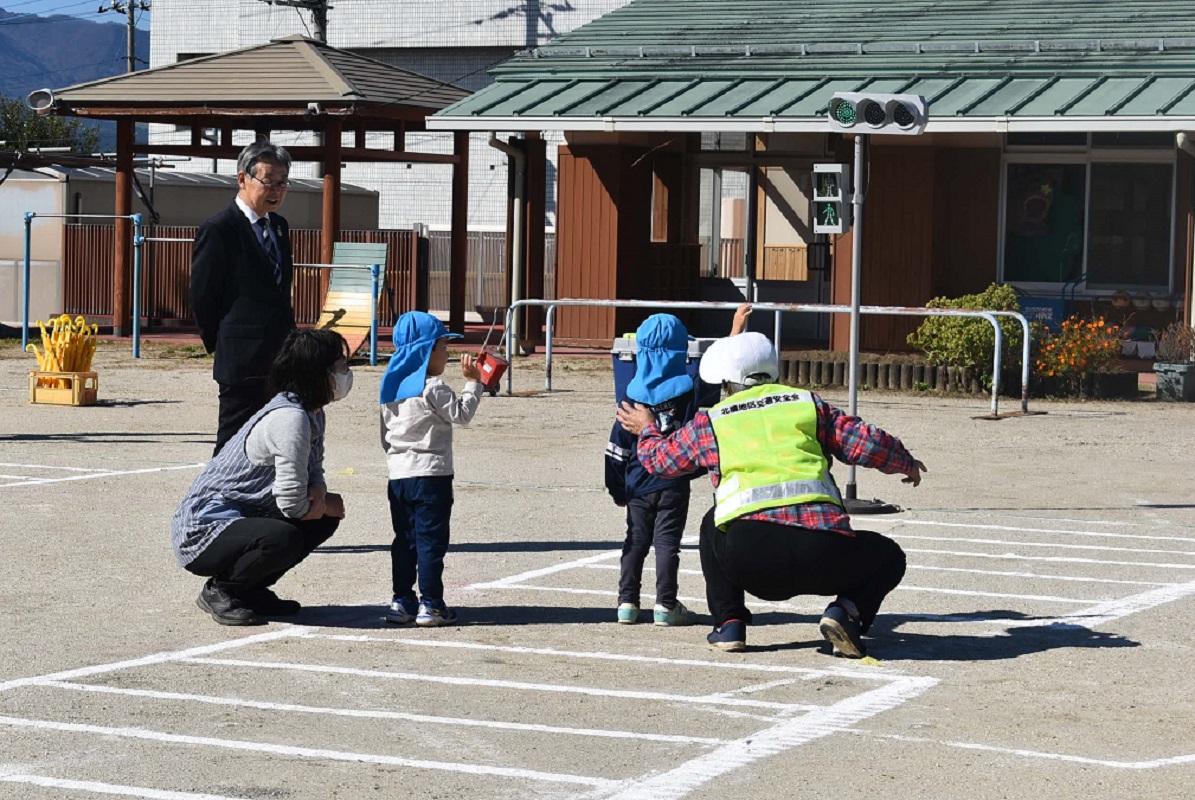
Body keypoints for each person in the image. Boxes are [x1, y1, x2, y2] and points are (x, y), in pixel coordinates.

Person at [616, 331, 925, 658]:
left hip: (751, 559)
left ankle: (729, 623)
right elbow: (866, 442)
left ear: (728, 383)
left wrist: (646, 427)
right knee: (889, 556)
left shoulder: (713, 421)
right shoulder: (808, 405)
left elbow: (660, 461)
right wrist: (906, 463)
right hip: (825, 554)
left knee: (714, 521)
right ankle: (845, 614)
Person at [172, 328, 351, 626]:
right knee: (285, 536)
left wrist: (319, 490)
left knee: (321, 519)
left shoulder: (312, 410)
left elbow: (314, 467)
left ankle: (249, 589)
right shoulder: (289, 418)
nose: (346, 373)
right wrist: (323, 504)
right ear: (319, 372)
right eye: (340, 366)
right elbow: (292, 504)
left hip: (245, 516)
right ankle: (221, 589)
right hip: (204, 529)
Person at [603, 305, 752, 627]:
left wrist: (617, 488)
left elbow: (616, 451)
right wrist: (735, 327)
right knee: (667, 545)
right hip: (673, 482)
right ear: (680, 352)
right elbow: (721, 367)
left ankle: (626, 603)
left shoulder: (629, 399)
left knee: (635, 542)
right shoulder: (691, 390)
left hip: (637, 485)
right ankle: (665, 606)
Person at [191, 139, 296, 455]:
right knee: (232, 444)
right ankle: (212, 503)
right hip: (240, 357)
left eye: (282, 183)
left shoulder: (278, 226)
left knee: (274, 442)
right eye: (268, 182)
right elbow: (202, 295)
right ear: (242, 179)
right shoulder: (220, 228)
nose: (276, 190)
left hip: (280, 357)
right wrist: (222, 342)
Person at [379, 311, 483, 627]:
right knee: (430, 541)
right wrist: (473, 383)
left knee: (405, 540)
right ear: (425, 351)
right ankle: (432, 604)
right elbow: (462, 415)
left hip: (398, 475)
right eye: (442, 347)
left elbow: (384, 434)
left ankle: (402, 600)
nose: (447, 353)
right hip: (431, 474)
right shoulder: (432, 387)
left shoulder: (390, 388)